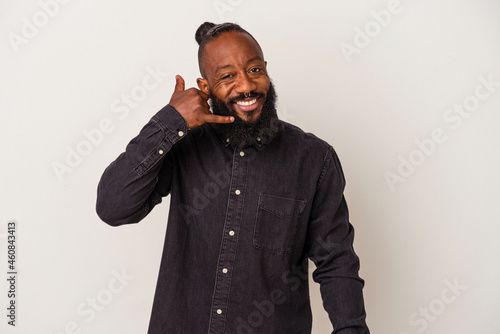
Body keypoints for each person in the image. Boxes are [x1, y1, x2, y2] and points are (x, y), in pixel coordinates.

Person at [96, 22, 369, 334]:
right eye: (227, 76)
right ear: (206, 86)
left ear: (266, 69)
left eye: (253, 70)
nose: (245, 86)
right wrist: (170, 121)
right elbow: (113, 206)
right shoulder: (184, 145)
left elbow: (337, 262)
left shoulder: (313, 160)